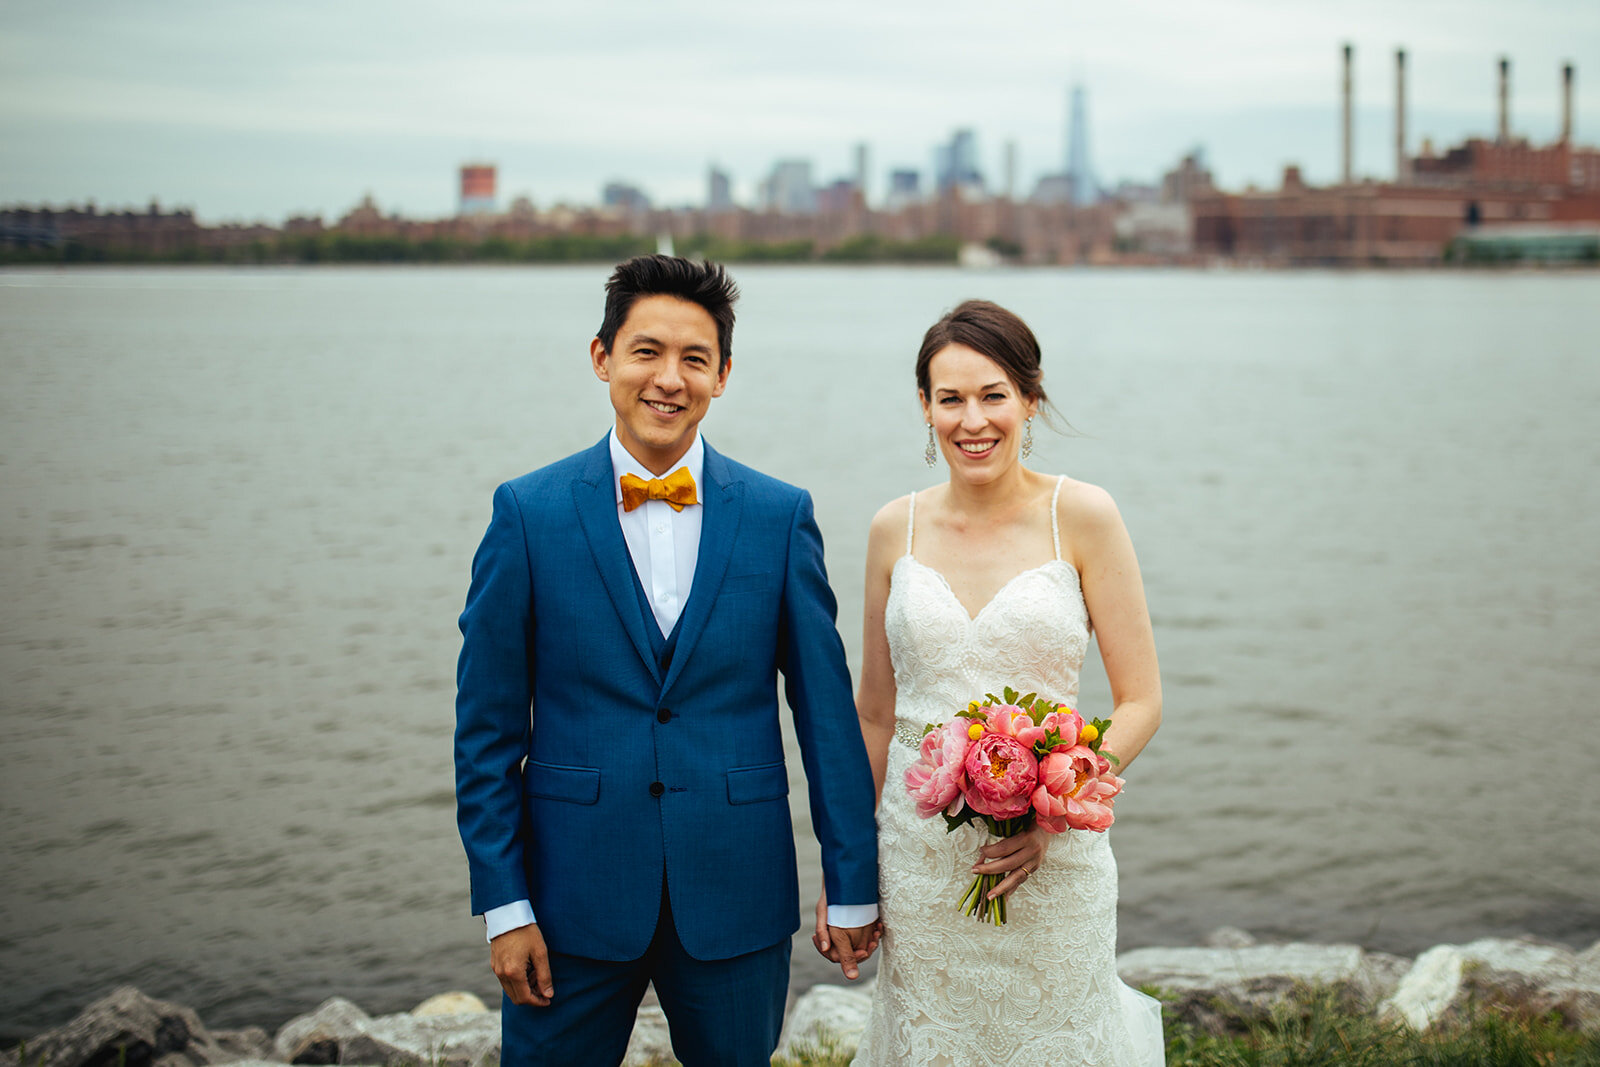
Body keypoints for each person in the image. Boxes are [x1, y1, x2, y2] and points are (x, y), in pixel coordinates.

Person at [455, 254, 880, 1067]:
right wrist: (504, 903)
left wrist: (851, 876)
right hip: (566, 896)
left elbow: (826, 717)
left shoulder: (779, 514)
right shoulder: (526, 512)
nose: (668, 378)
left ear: (722, 375)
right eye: (646, 351)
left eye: (694, 358)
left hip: (737, 890)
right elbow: (484, 734)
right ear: (602, 358)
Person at [832, 299, 1165, 1065]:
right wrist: (849, 868)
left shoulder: (1081, 515)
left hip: (1054, 858)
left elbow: (1142, 700)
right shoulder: (894, 529)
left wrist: (1054, 809)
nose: (971, 420)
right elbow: (876, 714)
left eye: (993, 395)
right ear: (924, 406)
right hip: (919, 857)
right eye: (949, 398)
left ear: (1029, 399)